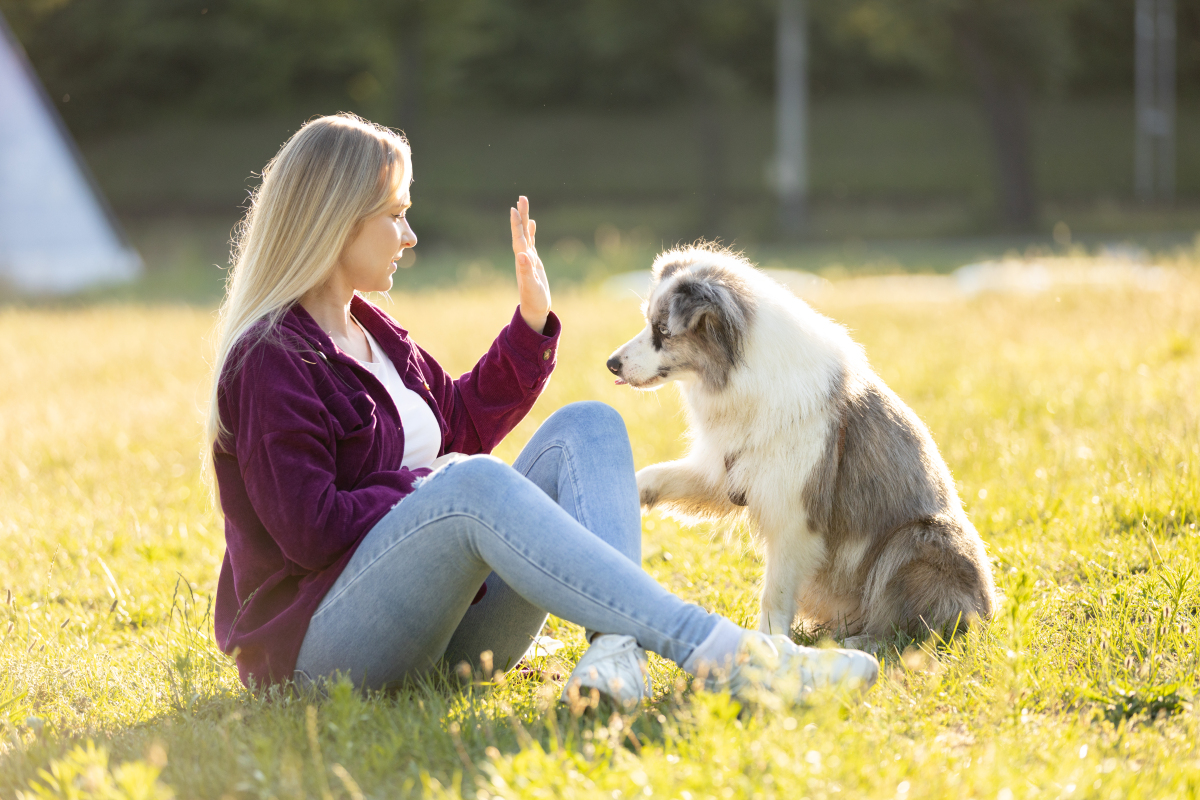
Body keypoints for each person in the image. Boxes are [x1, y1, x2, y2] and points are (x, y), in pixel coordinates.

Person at [206, 112, 878, 708]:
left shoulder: (372, 330)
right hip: (321, 651)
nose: (408, 235)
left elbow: (457, 429)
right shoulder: (270, 359)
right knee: (466, 483)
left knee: (588, 425)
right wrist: (426, 487)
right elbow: (311, 530)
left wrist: (529, 327)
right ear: (333, 219)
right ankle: (730, 658)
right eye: (394, 214)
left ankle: (616, 655)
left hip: (447, 632)